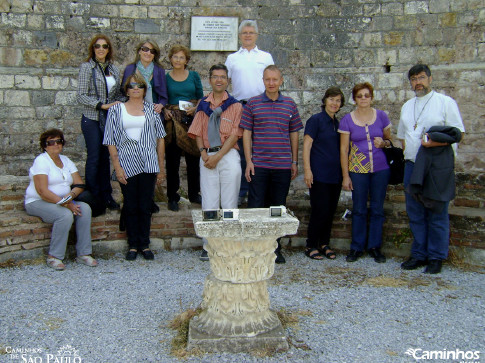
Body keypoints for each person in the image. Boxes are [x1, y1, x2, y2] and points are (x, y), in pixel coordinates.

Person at [398, 64, 465, 274]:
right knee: (415, 212)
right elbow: (403, 137)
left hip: (436, 167)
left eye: (421, 77)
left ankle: (436, 257)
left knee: (437, 212)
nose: (418, 82)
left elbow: (458, 134)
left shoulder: (445, 103)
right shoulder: (407, 106)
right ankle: (419, 254)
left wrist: (432, 145)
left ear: (430, 78)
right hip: (412, 166)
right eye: (414, 79)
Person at [241, 65, 303, 264]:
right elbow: (247, 134)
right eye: (268, 79)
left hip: (282, 165)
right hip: (259, 164)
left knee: (278, 208)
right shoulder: (253, 103)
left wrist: (294, 161)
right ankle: (254, 249)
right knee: (256, 207)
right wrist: (249, 161)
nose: (271, 83)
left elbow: (294, 134)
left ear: (281, 80)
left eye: (275, 79)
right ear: (263, 80)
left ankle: (275, 248)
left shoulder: (290, 105)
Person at [103, 74, 166, 261]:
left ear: (144, 89)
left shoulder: (152, 110)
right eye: (131, 86)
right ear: (127, 90)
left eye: (139, 85)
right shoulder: (116, 110)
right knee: (130, 204)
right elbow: (110, 141)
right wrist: (117, 167)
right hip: (126, 163)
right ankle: (132, 244)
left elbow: (160, 139)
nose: (135, 88)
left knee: (145, 205)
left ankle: (144, 244)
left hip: (148, 163)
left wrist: (161, 168)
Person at [188, 64, 243, 261]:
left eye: (222, 76)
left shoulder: (236, 105)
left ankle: (228, 244)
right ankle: (209, 245)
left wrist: (217, 157)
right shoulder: (203, 104)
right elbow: (197, 132)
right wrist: (203, 154)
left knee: (229, 202)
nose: (219, 80)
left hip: (227, 155)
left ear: (227, 80)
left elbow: (235, 135)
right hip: (207, 156)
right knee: (209, 201)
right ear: (209, 80)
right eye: (215, 76)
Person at [25, 129, 98, 270]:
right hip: (37, 202)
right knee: (64, 215)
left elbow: (79, 184)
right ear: (44, 145)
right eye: (51, 142)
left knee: (85, 209)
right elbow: (42, 191)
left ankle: (83, 253)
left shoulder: (66, 160)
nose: (56, 144)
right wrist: (65, 204)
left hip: (63, 201)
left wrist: (70, 197)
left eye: (59, 141)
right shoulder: (41, 161)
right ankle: (54, 256)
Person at [338, 82, 392, 263]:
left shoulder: (382, 116)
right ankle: (357, 247)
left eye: (366, 95)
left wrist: (383, 143)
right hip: (357, 170)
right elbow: (344, 149)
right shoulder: (347, 119)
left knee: (377, 208)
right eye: (359, 96)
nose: (363, 99)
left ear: (372, 97)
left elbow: (389, 140)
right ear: (354, 99)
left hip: (380, 168)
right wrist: (346, 176)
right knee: (359, 208)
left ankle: (375, 247)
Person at [225, 19, 274, 205]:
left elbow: (272, 80)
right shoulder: (232, 58)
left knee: (260, 148)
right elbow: (224, 82)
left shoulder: (266, 56)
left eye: (251, 33)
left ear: (256, 35)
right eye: (244, 33)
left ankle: (258, 189)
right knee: (240, 149)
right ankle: (241, 190)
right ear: (239, 36)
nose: (247, 35)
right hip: (239, 107)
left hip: (262, 106)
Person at [77, 34, 124, 211]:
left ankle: (106, 195)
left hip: (108, 119)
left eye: (105, 46)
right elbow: (81, 95)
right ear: (93, 48)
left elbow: (116, 94)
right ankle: (93, 196)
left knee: (106, 157)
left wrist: (126, 100)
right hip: (92, 117)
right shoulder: (87, 68)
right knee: (95, 156)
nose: (101, 49)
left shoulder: (114, 69)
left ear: (109, 49)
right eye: (98, 46)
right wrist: (101, 105)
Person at [122, 39, 168, 213]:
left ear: (155, 55)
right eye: (145, 49)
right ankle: (135, 201)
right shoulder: (130, 69)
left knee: (151, 156)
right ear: (139, 51)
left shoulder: (159, 71)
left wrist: (161, 105)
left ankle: (149, 198)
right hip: (134, 116)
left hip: (152, 116)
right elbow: (123, 91)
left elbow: (164, 96)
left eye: (152, 50)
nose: (148, 53)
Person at [303, 87, 345, 260]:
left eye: (338, 100)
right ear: (325, 100)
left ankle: (324, 243)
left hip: (335, 175)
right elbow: (306, 146)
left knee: (330, 211)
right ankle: (311, 245)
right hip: (319, 174)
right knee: (319, 210)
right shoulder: (315, 120)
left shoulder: (339, 124)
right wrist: (307, 170)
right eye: (331, 99)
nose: (334, 103)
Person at [163, 45, 203, 212]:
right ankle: (173, 196)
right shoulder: (165, 78)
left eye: (181, 57)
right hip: (173, 121)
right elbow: (161, 98)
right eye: (175, 57)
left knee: (193, 158)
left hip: (191, 118)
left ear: (186, 60)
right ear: (171, 59)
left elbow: (201, 98)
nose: (178, 60)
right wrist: (165, 110)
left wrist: (195, 108)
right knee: (172, 161)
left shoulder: (194, 76)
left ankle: (194, 193)